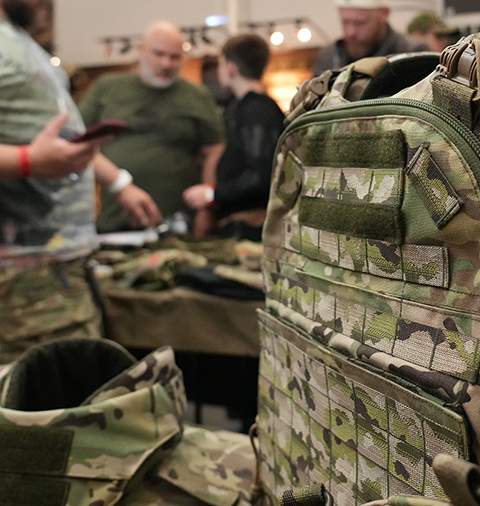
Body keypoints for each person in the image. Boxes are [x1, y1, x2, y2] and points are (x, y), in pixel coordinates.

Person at [0, 0, 160, 364]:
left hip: (57, 269)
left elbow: (61, 139)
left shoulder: (21, 42)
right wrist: (27, 162)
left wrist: (119, 182)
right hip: (23, 280)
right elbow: (37, 153)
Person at [80, 21, 225, 236]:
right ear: (141, 50)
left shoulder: (197, 96)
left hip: (179, 222)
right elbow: (77, 142)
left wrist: (206, 207)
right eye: (158, 54)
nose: (166, 63)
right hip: (117, 221)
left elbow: (214, 149)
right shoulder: (107, 88)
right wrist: (119, 183)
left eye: (174, 57)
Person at [182, 34, 285, 241]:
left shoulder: (256, 110)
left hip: (253, 228)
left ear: (230, 68)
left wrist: (212, 194)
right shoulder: (246, 108)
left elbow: (261, 176)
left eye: (221, 63)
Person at [313, 0, 424, 75]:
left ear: (384, 14)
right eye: (345, 22)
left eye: (360, 23)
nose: (351, 32)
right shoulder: (328, 56)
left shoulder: (412, 54)